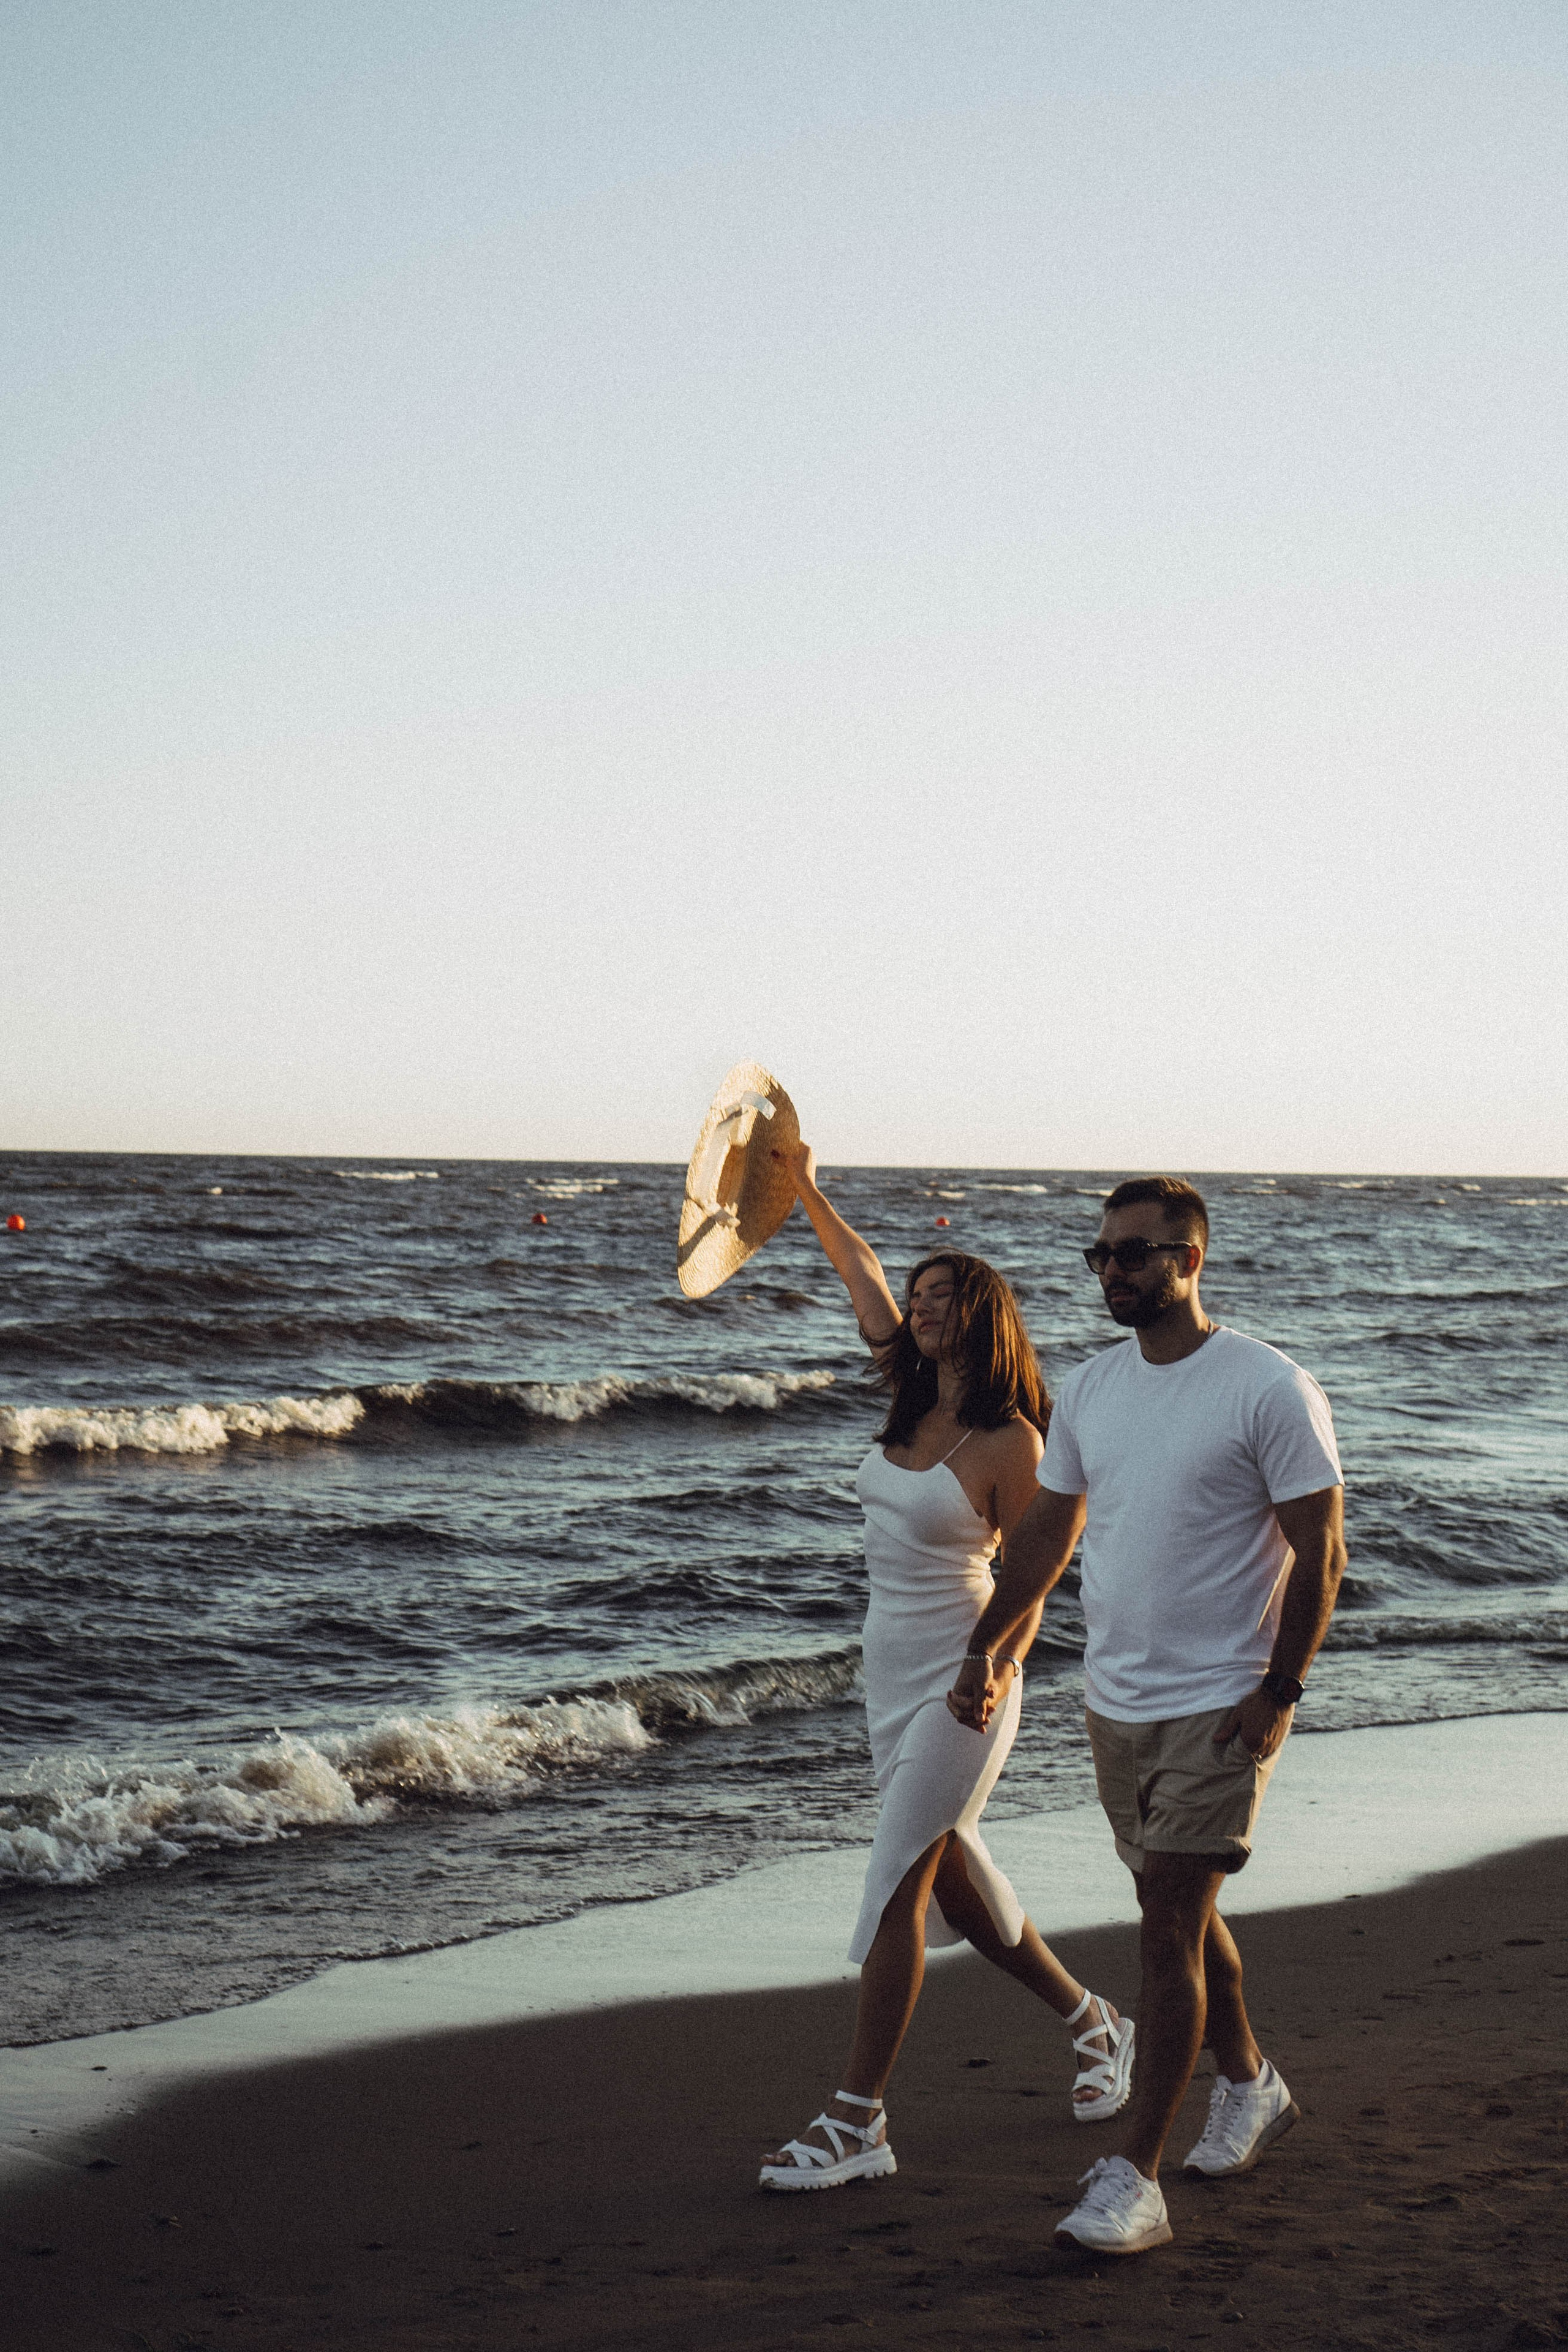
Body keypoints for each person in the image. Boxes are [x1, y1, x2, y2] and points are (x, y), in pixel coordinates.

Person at [950, 1175, 1346, 2256]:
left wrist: (1279, 1691)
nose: (1113, 1271)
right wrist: (989, 1642)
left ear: (1191, 1258)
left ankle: (1136, 2174)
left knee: (1165, 1924)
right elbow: (1046, 1536)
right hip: (1113, 1701)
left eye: (1134, 1253)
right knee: (1180, 1908)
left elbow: (1323, 1553)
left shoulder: (1267, 1386)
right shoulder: (1088, 1390)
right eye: (1102, 1255)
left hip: (1223, 1703)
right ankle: (1250, 2082)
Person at [758, 1144, 1136, 2193]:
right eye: (919, 1295)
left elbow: (1039, 1572)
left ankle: (857, 2122)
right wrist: (804, 1191)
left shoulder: (1014, 1442)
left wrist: (989, 1663)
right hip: (890, 1673)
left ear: (983, 1314)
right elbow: (861, 1274)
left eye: (942, 1296)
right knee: (957, 1886)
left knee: (896, 1886)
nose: (920, 1308)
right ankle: (1096, 2019)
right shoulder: (909, 1393)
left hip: (969, 1679)